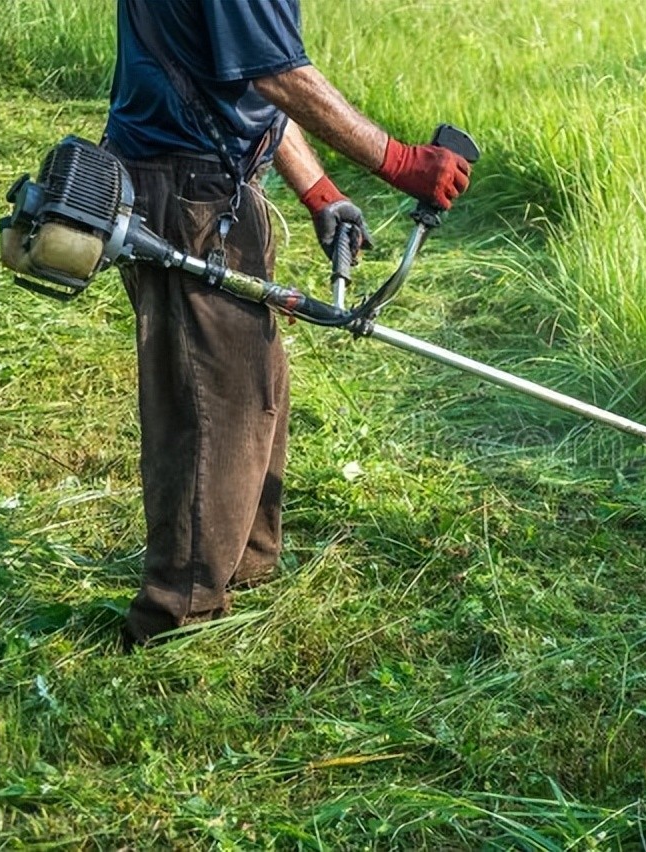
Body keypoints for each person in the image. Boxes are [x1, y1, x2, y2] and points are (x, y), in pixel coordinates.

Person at [104, 0, 471, 645]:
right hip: (186, 188)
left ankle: (242, 566)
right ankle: (177, 615)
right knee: (212, 403)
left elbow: (248, 83)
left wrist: (319, 192)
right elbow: (280, 76)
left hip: (213, 181)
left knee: (254, 381)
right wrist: (400, 161)